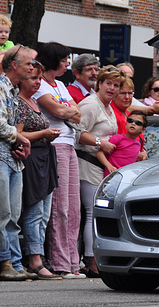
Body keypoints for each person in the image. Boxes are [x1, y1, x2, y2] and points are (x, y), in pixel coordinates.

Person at [33, 42, 84, 279]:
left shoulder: (61, 85)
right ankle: (61, 261)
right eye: (64, 59)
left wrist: (65, 109)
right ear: (54, 60)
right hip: (54, 146)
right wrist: (65, 109)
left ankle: (74, 262)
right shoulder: (40, 84)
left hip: (70, 144)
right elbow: (61, 112)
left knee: (74, 208)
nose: (67, 63)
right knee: (60, 207)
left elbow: (76, 111)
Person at [15, 63, 62, 279]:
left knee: (44, 214)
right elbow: (18, 134)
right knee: (34, 212)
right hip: (32, 158)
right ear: (22, 79)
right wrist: (44, 132)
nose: (37, 82)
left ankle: (39, 256)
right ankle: (34, 259)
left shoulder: (34, 102)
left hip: (46, 157)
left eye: (40, 79)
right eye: (33, 78)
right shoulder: (18, 103)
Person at [76, 66, 123, 277]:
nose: (112, 88)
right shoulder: (90, 104)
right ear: (99, 84)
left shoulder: (109, 106)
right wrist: (99, 142)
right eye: (108, 83)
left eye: (116, 85)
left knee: (95, 213)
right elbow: (77, 133)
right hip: (86, 163)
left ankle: (95, 258)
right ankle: (91, 261)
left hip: (102, 165)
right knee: (92, 212)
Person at [0, 45, 33, 281]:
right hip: (1, 158)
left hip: (12, 159)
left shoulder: (12, 91)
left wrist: (18, 147)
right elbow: (0, 125)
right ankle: (5, 262)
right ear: (14, 65)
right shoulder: (1, 87)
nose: (31, 67)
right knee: (3, 213)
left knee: (13, 214)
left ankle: (16, 263)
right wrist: (20, 138)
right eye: (28, 63)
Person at [96, 111, 146, 177]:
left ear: (143, 130)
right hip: (112, 177)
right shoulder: (118, 138)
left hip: (126, 179)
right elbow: (99, 153)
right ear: (126, 123)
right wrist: (109, 166)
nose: (133, 123)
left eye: (138, 123)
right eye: (130, 120)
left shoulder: (138, 144)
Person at [110, 76, 147, 161]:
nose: (127, 97)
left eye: (130, 93)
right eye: (123, 93)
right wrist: (134, 154)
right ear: (114, 95)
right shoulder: (111, 114)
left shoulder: (129, 115)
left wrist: (144, 151)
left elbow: (138, 138)